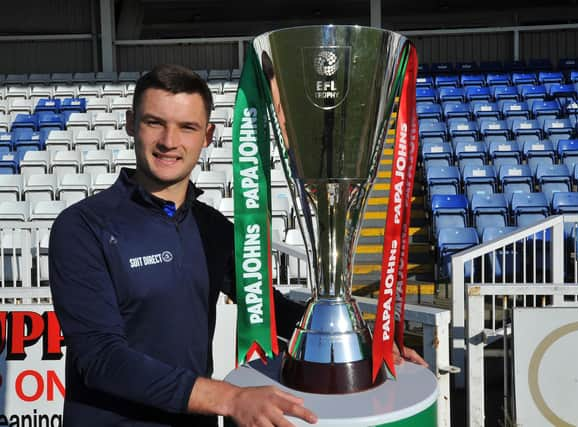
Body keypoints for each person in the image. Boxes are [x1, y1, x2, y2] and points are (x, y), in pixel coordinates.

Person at [50, 63, 426, 427]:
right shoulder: (83, 227)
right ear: (132, 124)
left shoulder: (210, 227)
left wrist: (366, 347)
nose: (169, 141)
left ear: (207, 136)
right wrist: (230, 398)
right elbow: (101, 359)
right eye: (154, 123)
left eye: (187, 127)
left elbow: (267, 305)